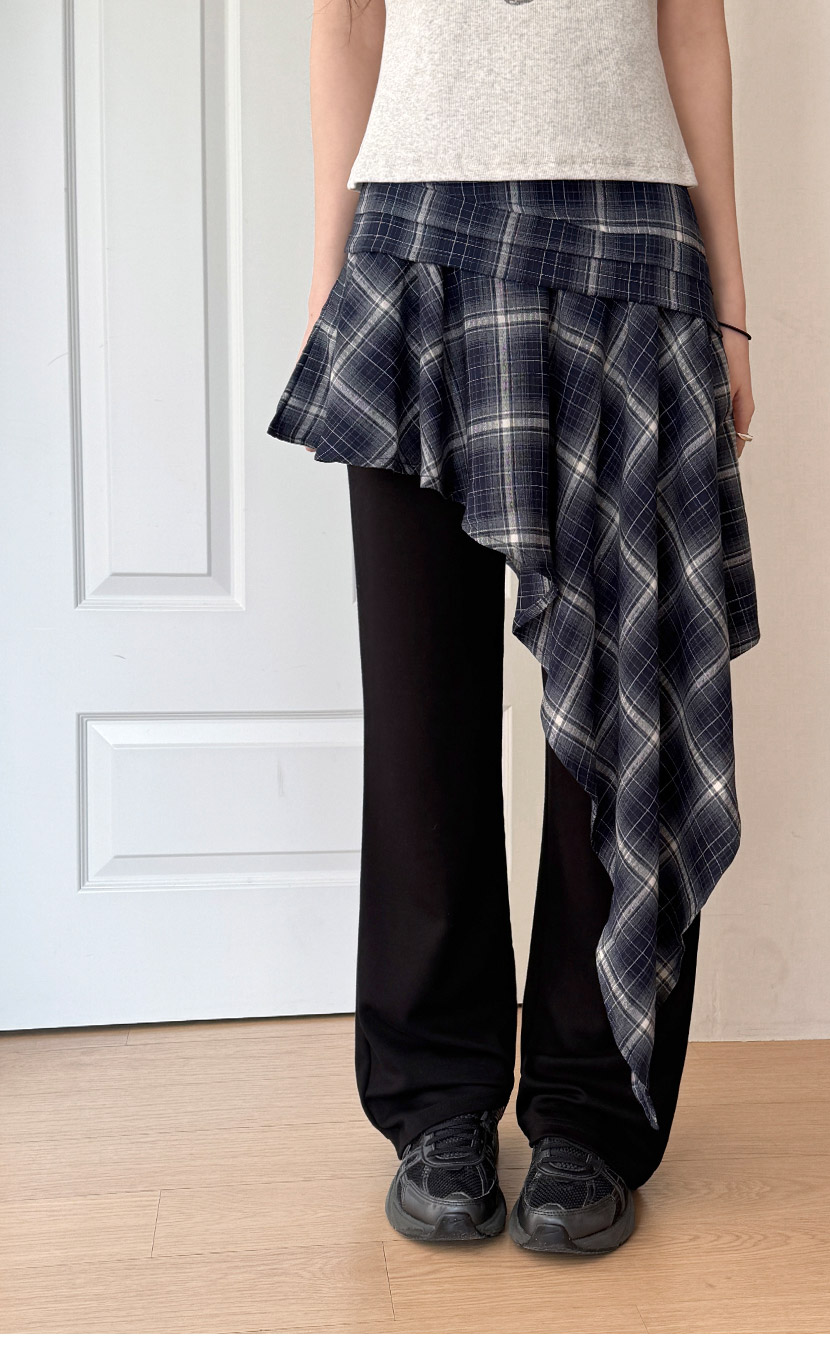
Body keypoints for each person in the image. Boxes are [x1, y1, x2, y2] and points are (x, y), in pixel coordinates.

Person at [277, 7, 758, 1260]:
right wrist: (328, 272)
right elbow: (347, 21)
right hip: (409, 242)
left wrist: (730, 302)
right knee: (420, 707)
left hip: (630, 241)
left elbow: (690, 26)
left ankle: (588, 1109)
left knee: (628, 697)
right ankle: (437, 1102)